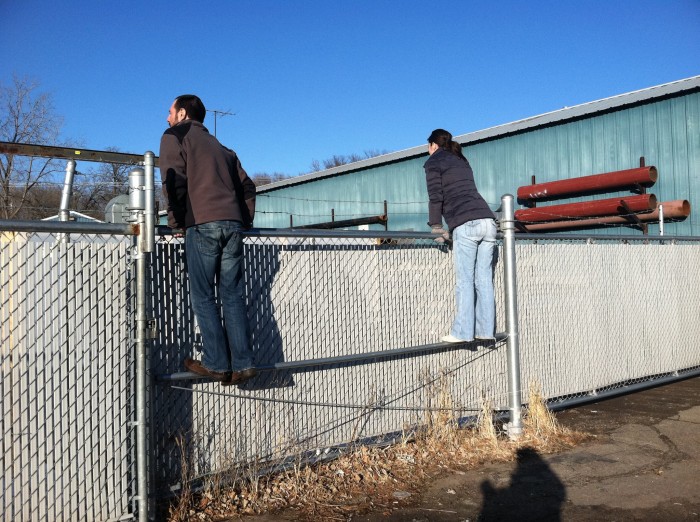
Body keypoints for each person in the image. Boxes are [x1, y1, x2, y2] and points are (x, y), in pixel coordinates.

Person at [160, 94, 257, 386]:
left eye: (170, 111)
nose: (167, 117)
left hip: (202, 224)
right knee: (232, 295)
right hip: (233, 226)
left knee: (203, 295)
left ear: (182, 113)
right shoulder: (224, 149)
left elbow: (172, 179)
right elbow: (248, 187)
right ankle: (242, 364)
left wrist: (176, 221)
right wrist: (243, 221)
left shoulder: (175, 135)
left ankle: (216, 364)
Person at [424, 128, 497, 343]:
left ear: (433, 145)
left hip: (467, 223)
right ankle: (485, 331)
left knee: (465, 280)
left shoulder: (433, 161)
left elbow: (435, 195)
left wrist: (436, 225)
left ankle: (463, 332)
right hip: (487, 221)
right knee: (483, 280)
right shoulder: (460, 159)